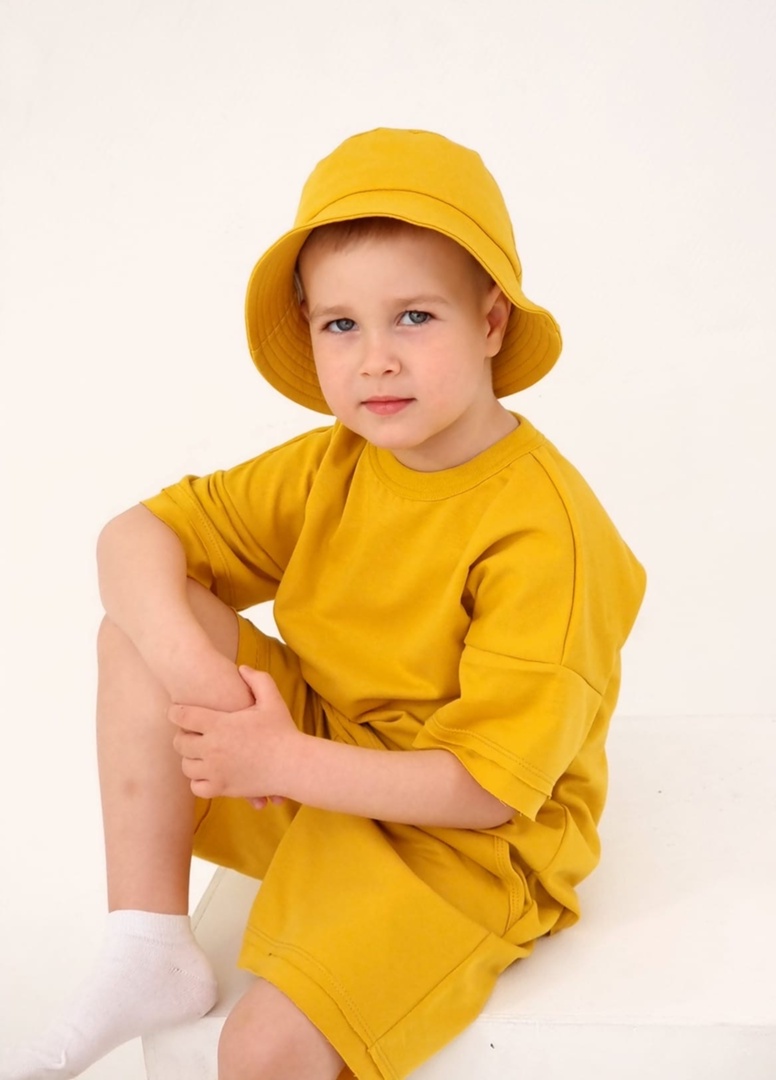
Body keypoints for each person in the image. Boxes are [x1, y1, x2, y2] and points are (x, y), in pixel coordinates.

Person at [2, 128, 646, 1080]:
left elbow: (484, 791)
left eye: (414, 317)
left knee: (260, 1051)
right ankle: (146, 946)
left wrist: (283, 760)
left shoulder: (545, 533)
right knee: (143, 625)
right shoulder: (333, 464)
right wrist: (204, 684)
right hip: (309, 767)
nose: (375, 360)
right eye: (341, 325)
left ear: (492, 322)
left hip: (464, 845)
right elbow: (132, 537)